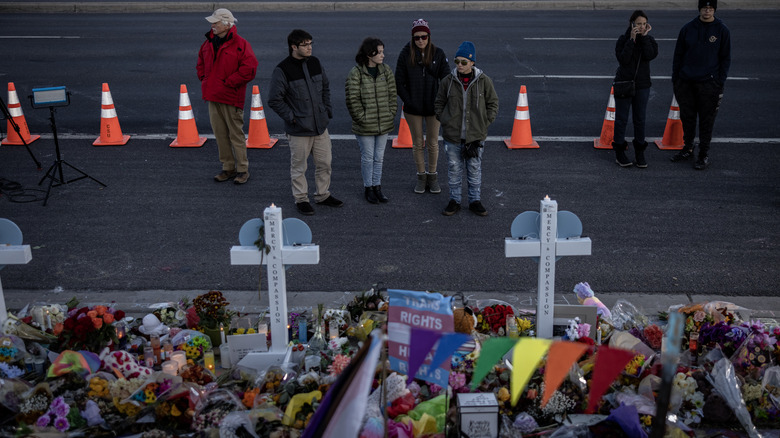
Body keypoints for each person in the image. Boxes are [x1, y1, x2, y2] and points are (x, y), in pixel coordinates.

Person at [268, 29, 343, 215]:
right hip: (299, 130)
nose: (309, 48)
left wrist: (326, 111)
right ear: (294, 47)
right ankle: (301, 199)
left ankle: (323, 195)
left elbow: (325, 87)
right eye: (305, 45)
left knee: (325, 163)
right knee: (299, 166)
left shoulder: (315, 63)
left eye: (310, 44)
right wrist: (292, 118)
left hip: (320, 126)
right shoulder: (283, 70)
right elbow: (274, 99)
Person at [435, 42, 499, 217]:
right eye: (457, 61)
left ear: (472, 63)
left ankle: (474, 201)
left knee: (474, 169)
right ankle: (454, 200)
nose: (459, 65)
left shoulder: (484, 81)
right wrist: (445, 120)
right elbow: (439, 103)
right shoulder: (448, 81)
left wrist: (485, 122)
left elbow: (493, 103)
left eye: (464, 62)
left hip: (475, 137)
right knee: (454, 169)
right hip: (452, 136)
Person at [197, 8, 257, 185]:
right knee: (220, 134)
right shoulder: (208, 43)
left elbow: (250, 68)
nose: (212, 25)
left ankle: (242, 170)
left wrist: (229, 83)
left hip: (231, 97)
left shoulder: (241, 44)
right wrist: (205, 79)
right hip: (213, 96)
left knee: (235, 135)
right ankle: (228, 167)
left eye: (215, 22)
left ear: (226, 24)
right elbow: (200, 62)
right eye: (212, 23)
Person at [671, 0, 731, 170]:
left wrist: (719, 81)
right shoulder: (688, 28)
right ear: (699, 9)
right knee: (687, 119)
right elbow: (678, 55)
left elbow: (725, 58)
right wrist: (676, 79)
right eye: (704, 8)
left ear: (714, 10)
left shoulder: (721, 30)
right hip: (686, 82)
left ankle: (703, 154)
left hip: (709, 84)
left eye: (710, 8)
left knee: (706, 121)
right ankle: (688, 148)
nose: (707, 11)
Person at [395, 18, 449, 194]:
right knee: (418, 143)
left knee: (433, 143)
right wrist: (409, 101)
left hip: (434, 108)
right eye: (417, 37)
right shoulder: (406, 54)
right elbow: (399, 81)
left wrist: (440, 101)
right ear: (412, 38)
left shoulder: (438, 53)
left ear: (429, 36)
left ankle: (432, 176)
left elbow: (446, 79)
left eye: (424, 36)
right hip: (413, 108)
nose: (420, 40)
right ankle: (421, 176)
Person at [345, 37, 398, 204]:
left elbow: (392, 95)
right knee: (368, 157)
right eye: (379, 52)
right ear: (369, 54)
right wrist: (362, 118)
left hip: (383, 123)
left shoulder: (386, 70)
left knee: (379, 157)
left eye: (383, 51)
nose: (383, 55)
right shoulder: (356, 73)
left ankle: (377, 187)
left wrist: (390, 113)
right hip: (365, 125)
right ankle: (368, 187)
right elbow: (352, 99)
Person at [612, 10, 658, 168]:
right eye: (638, 24)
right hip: (624, 84)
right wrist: (631, 39)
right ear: (631, 24)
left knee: (640, 120)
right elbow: (623, 60)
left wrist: (644, 38)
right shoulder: (623, 39)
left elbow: (650, 55)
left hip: (642, 86)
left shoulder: (649, 40)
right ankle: (619, 151)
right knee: (621, 119)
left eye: (644, 24)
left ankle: (640, 152)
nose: (642, 27)